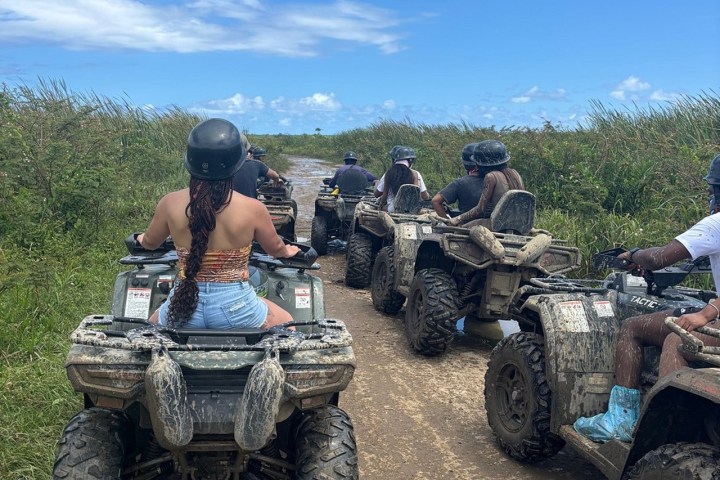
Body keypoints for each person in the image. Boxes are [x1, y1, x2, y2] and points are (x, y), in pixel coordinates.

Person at [574, 153, 720, 443]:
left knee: (652, 333)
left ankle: (662, 434)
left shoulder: (715, 224)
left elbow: (662, 257)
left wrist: (634, 256)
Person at [137, 118, 299, 330]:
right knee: (287, 323)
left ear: (190, 161)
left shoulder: (169, 203)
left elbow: (149, 243)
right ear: (238, 164)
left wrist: (140, 238)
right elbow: (275, 249)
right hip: (238, 310)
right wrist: (287, 250)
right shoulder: (253, 208)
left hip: (182, 308)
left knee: (152, 328)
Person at [448, 140, 524, 226]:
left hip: (499, 223)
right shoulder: (515, 173)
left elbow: (480, 209)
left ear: (481, 164)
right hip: (520, 223)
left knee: (461, 229)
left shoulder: (491, 176)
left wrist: (458, 218)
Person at [431, 142, 484, 218]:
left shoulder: (460, 183)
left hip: (467, 226)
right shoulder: (497, 179)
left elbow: (435, 201)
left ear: (464, 164)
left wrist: (448, 224)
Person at [374, 146, 430, 212]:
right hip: (413, 209)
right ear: (410, 162)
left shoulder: (388, 173)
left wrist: (381, 206)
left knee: (385, 208)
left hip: (394, 208)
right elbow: (423, 196)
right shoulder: (415, 174)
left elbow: (384, 195)